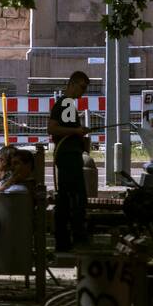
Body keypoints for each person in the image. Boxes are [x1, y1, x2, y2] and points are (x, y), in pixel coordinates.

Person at [50, 70, 92, 251]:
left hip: (68, 156)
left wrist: (78, 131)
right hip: (68, 157)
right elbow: (53, 128)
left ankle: (65, 239)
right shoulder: (66, 103)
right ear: (73, 84)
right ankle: (73, 238)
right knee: (74, 198)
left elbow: (62, 128)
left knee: (68, 198)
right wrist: (77, 132)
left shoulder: (67, 104)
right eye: (82, 87)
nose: (83, 92)